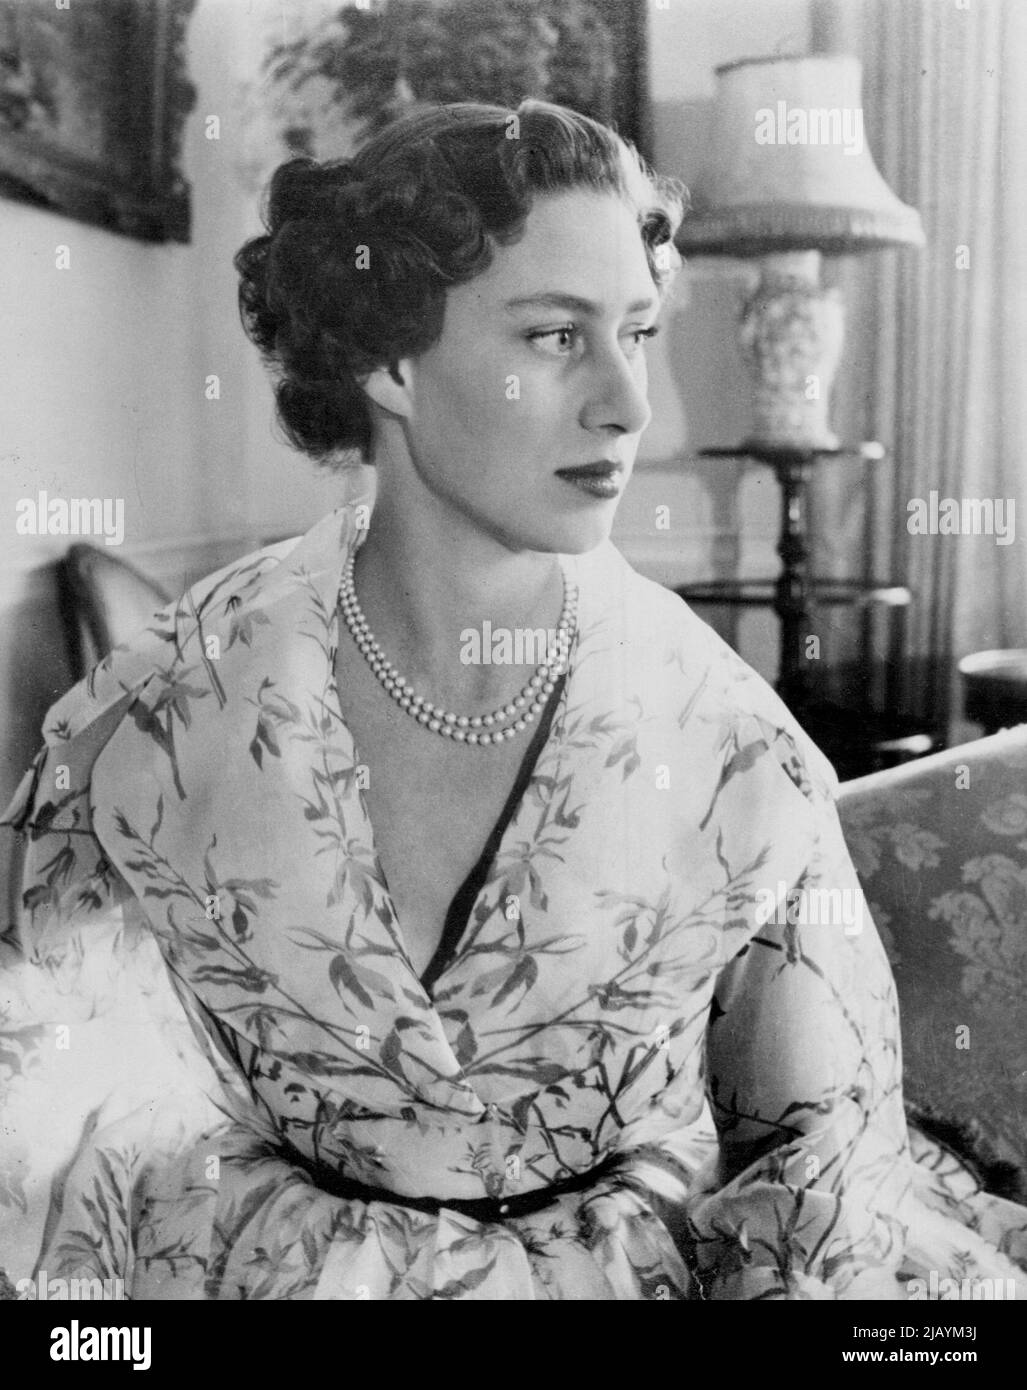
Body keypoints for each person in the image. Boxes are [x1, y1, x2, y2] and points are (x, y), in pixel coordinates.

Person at [1, 99, 1024, 1301]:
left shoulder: (730, 748)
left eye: (635, 333)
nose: (627, 404)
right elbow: (53, 1132)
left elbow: (815, 1176)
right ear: (388, 360)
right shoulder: (159, 722)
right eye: (554, 336)